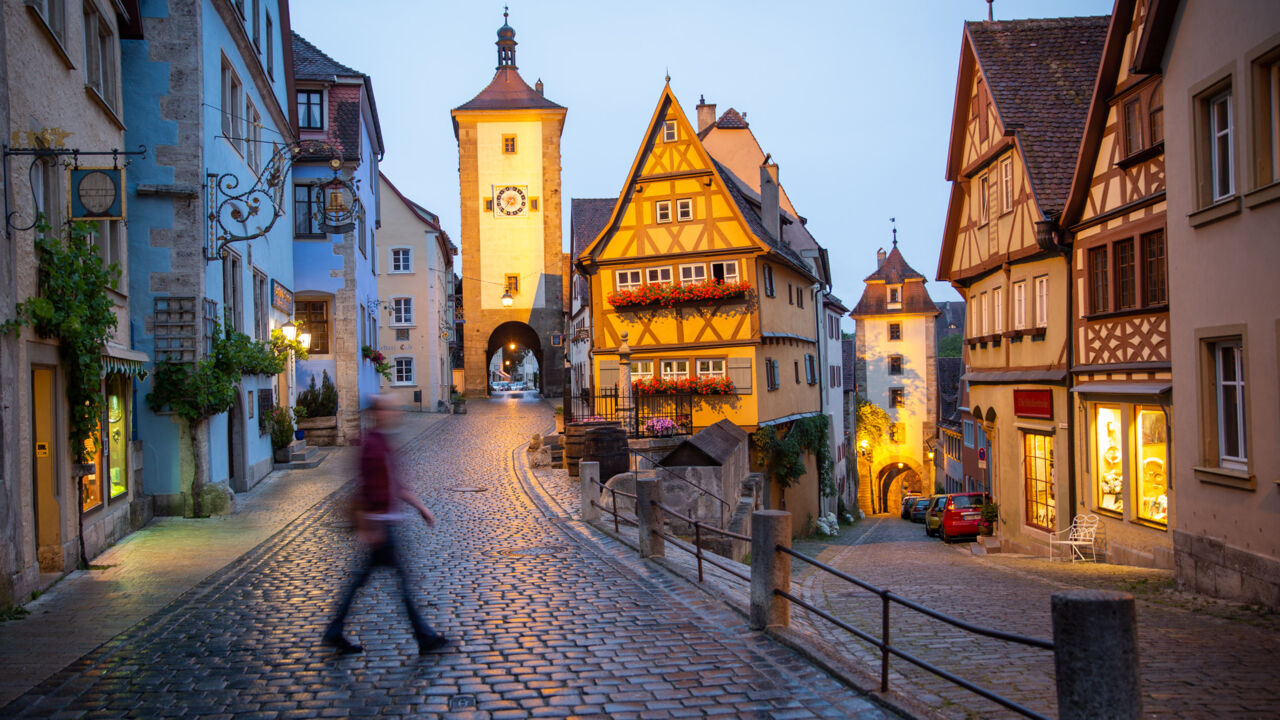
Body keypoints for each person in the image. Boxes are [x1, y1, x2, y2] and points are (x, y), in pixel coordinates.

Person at [323, 396, 446, 655]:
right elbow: (366, 488)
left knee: (363, 581)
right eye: (389, 409)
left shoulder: (382, 443)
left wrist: (420, 506)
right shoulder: (372, 446)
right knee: (400, 583)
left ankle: (334, 631)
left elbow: (395, 485)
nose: (395, 412)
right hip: (381, 525)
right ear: (378, 414)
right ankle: (424, 637)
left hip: (386, 523)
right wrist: (368, 526)